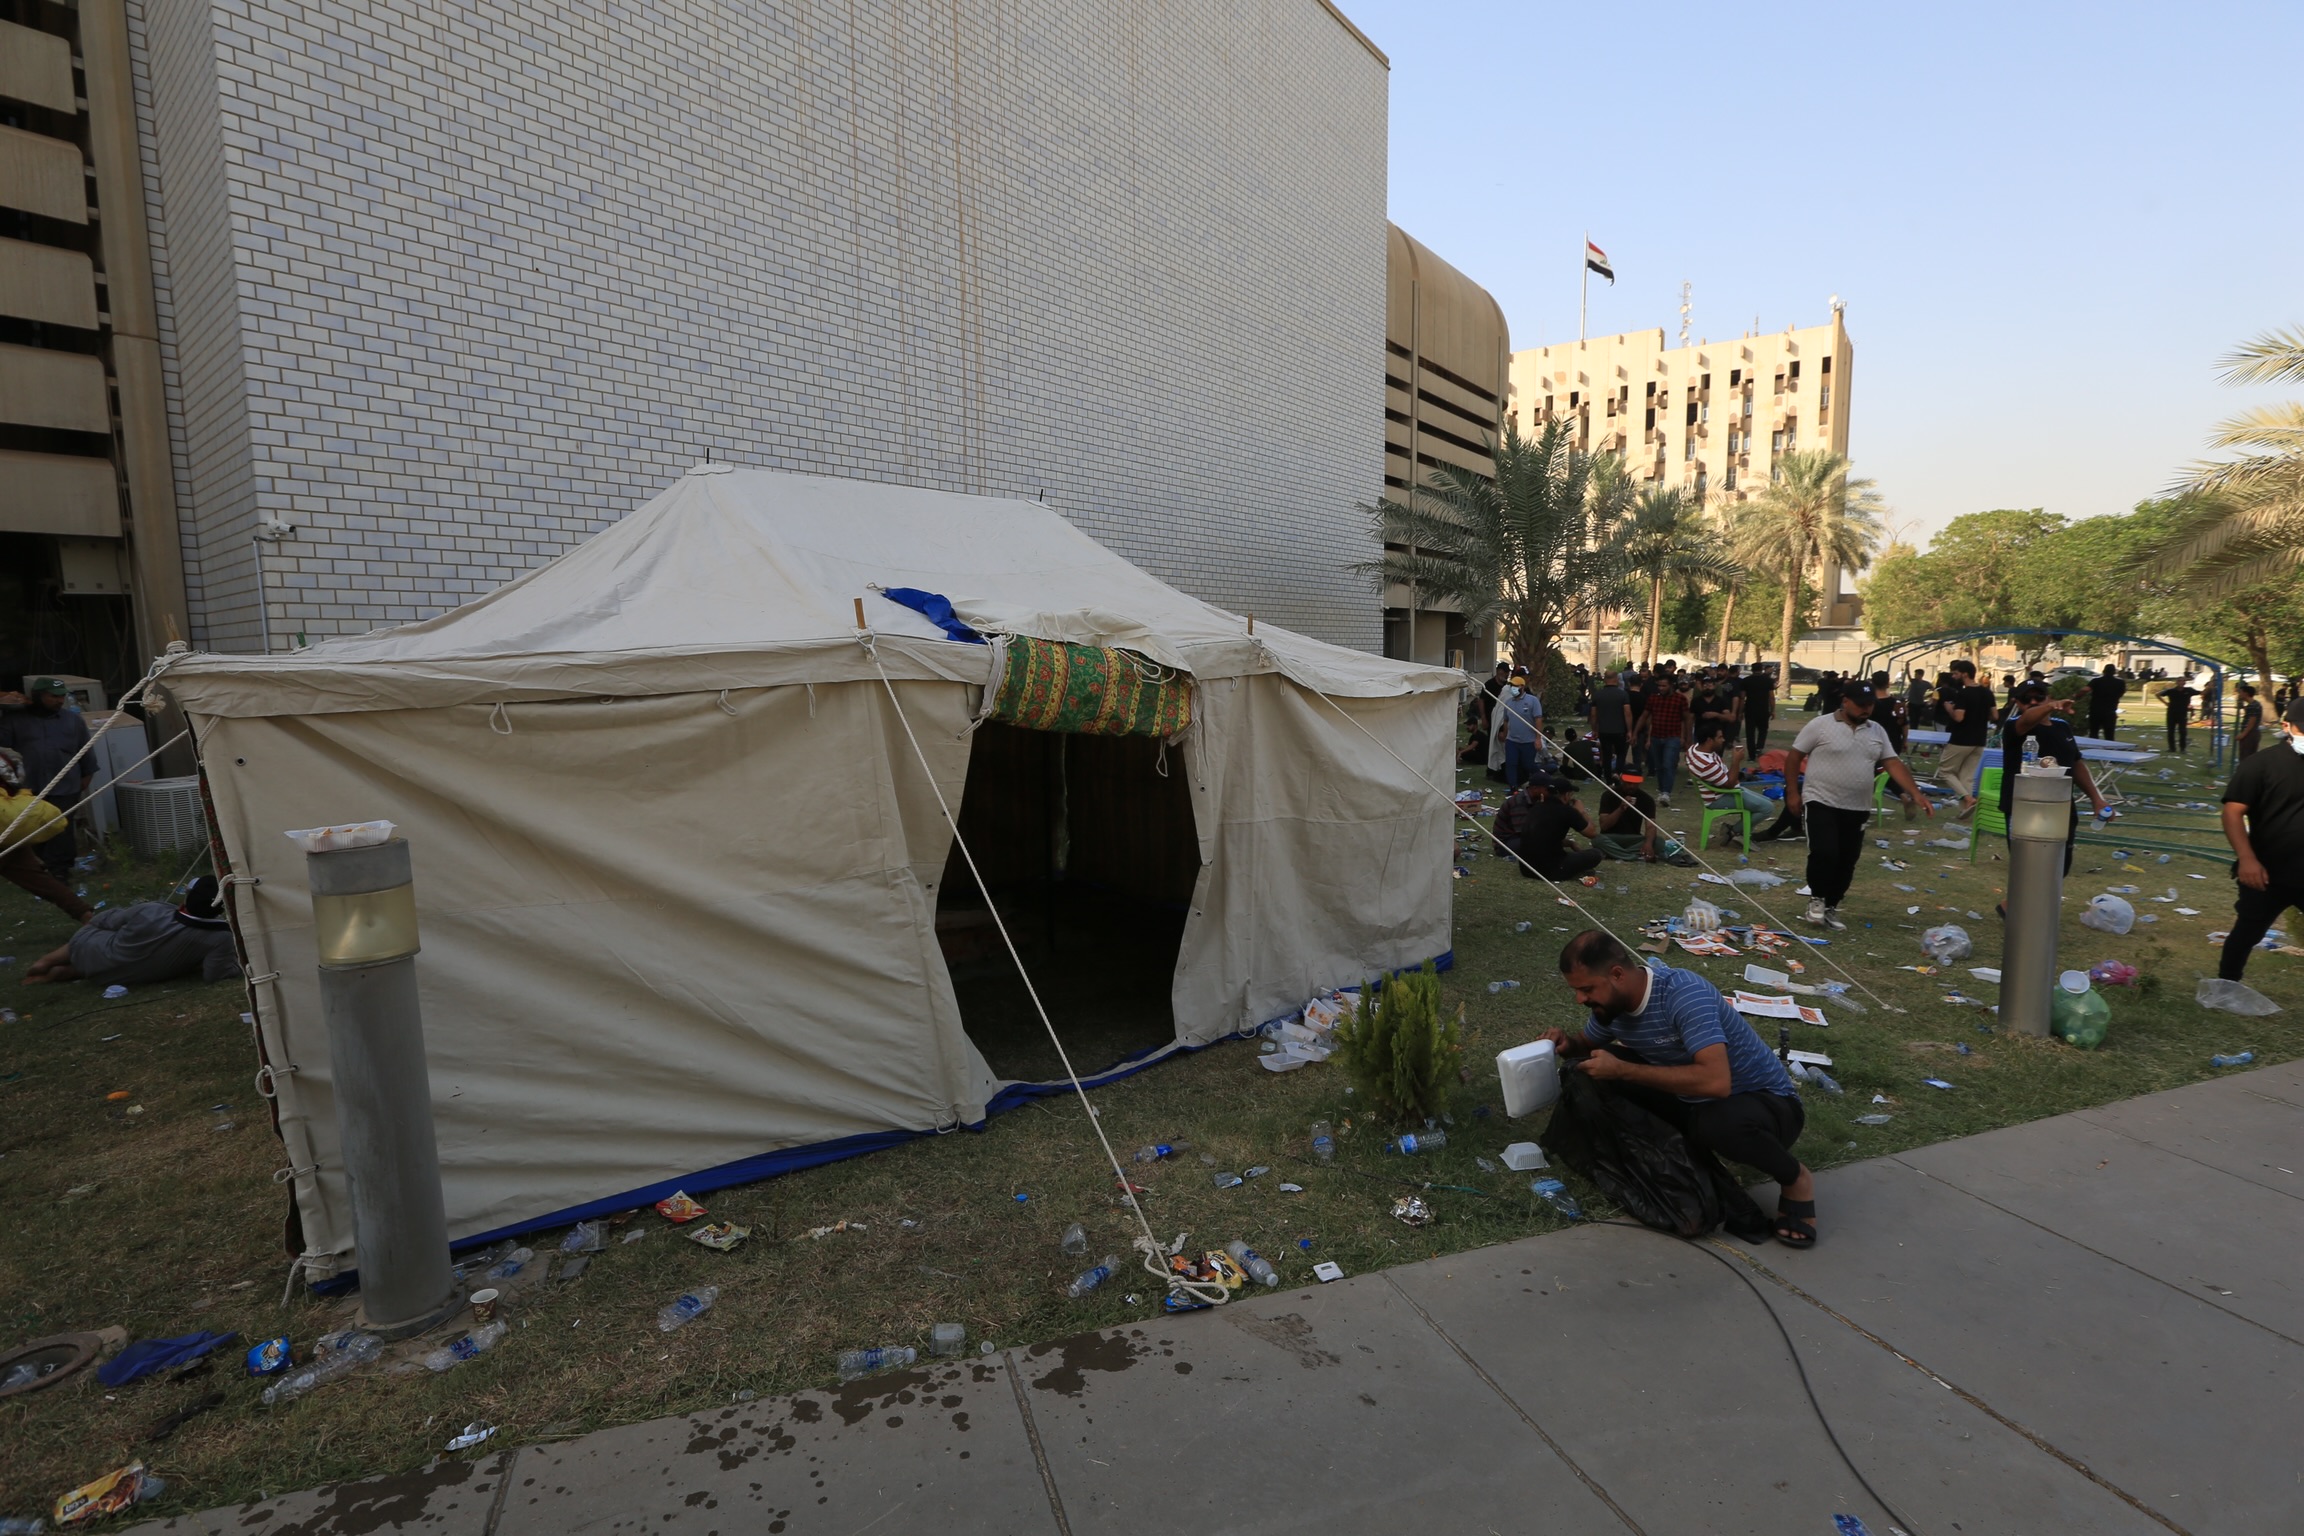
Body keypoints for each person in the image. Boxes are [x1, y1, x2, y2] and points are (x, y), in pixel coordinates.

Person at [1543, 931, 1817, 1247]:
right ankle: (1673, 1154)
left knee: (1715, 1122)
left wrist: (1625, 1071)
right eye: (1576, 991)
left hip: (1765, 1106)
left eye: (1586, 989)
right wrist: (1567, 1045)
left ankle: (1796, 1179)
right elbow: (1585, 1046)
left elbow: (1716, 1083)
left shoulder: (1683, 994)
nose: (1581, 999)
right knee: (1589, 1070)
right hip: (1695, 1102)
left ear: (1617, 974)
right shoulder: (1611, 1008)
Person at [1779, 683, 1932, 929]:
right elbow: (1795, 757)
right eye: (1861, 704)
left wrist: (1915, 793)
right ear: (1845, 701)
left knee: (1847, 858)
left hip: (1858, 806)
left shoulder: (1877, 731)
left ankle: (1831, 905)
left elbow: (1892, 763)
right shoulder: (1821, 725)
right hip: (1821, 800)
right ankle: (1817, 900)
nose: (1867, 709)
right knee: (1825, 852)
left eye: (1870, 704)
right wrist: (1793, 792)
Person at [2218, 699, 2304, 983]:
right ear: (2287, 727)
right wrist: (2247, 858)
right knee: (2248, 931)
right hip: (2267, 870)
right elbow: (2232, 812)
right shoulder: (2260, 765)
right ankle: (2227, 984)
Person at [24, 876, 240, 986]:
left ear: (187, 897)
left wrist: (94, 923)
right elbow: (215, 974)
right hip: (117, 977)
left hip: (93, 950)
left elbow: (108, 920)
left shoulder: (154, 910)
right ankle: (60, 974)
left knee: (89, 939)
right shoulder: (219, 938)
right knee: (119, 963)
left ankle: (46, 961)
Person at [1999, 682, 2111, 875]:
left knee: (2059, 868)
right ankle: (2014, 905)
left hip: (2061, 805)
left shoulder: (2062, 726)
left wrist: (2096, 799)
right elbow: (2027, 719)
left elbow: (2076, 763)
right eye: (2027, 699)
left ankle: (2026, 905)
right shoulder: (2014, 726)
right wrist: (2049, 706)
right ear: (2017, 702)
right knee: (2028, 870)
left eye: (2039, 697)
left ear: (2048, 697)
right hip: (2025, 807)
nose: (2033, 702)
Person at [0, 678, 95, 881]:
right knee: (32, 827)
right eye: (53, 696)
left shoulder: (73, 720)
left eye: (62, 696)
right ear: (38, 696)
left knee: (61, 827)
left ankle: (59, 870)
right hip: (28, 787)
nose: (59, 700)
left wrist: (87, 773)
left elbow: (85, 749)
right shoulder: (14, 720)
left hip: (66, 783)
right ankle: (37, 869)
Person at [1, 748, 95, 922]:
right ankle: (87, 916)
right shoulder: (7, 761)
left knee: (40, 880)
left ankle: (87, 917)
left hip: (6, 831)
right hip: (8, 831)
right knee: (42, 881)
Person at [1490, 773, 1603, 881]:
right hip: (1552, 870)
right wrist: (1581, 811)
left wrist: (1570, 844)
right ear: (1567, 795)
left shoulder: (1536, 807)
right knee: (1596, 854)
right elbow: (1592, 833)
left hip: (1526, 870)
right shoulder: (1567, 811)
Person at [1685, 721, 1775, 839]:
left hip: (1721, 790)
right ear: (1709, 740)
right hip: (1718, 797)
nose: (1723, 740)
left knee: (1767, 801)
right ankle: (1733, 831)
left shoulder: (1695, 748)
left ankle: (1741, 832)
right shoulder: (1705, 765)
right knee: (1767, 808)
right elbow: (1730, 784)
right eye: (1720, 737)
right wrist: (1736, 761)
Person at [1934, 659, 1996, 821]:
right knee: (1966, 776)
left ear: (1965, 674)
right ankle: (1965, 813)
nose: (1954, 676)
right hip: (1979, 739)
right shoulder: (1987, 692)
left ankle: (1967, 798)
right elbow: (1995, 715)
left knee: (1945, 770)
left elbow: (1959, 717)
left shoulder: (1963, 693)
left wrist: (1949, 709)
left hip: (1961, 739)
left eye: (1956, 673)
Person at [1594, 774, 1695, 865]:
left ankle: (1614, 853)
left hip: (1634, 839)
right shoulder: (1609, 795)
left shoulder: (1646, 799)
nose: (1632, 786)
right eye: (1629, 783)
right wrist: (1620, 809)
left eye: (1635, 783)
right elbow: (1604, 825)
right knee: (1597, 840)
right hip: (1611, 838)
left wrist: (1648, 843)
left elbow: (1651, 824)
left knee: (1659, 842)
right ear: (1622, 780)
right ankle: (1632, 856)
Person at [1642, 674, 1688, 806]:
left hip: (1672, 737)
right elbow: (1646, 717)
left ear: (1671, 686)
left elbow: (1686, 719)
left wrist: (1685, 737)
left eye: (1664, 685)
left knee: (1668, 764)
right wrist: (1640, 734)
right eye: (1659, 685)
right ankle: (1662, 790)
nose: (1661, 688)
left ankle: (1666, 792)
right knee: (1659, 766)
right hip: (1656, 736)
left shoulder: (1680, 699)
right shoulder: (1653, 699)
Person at [1499, 672, 1544, 787]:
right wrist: (1505, 734)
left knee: (1528, 764)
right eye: (1512, 686)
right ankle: (1513, 787)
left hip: (1528, 740)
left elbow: (1538, 719)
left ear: (1522, 687)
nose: (1513, 688)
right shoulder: (1508, 703)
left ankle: (1542, 779)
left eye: (1515, 686)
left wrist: (1538, 738)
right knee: (1511, 764)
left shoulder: (1532, 701)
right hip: (1512, 740)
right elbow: (1506, 720)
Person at [1589, 671, 1631, 780]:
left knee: (1606, 754)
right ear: (1616, 679)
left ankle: (1608, 778)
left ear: (1604, 679)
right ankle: (1617, 772)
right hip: (1619, 729)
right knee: (1621, 753)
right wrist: (1629, 730)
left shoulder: (1598, 695)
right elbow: (1627, 713)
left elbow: (1593, 714)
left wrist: (1594, 729)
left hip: (1604, 730)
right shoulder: (1622, 694)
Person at [1741, 662, 1776, 757]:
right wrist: (1773, 710)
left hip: (1750, 709)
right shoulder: (1768, 681)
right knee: (1763, 730)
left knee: (1750, 732)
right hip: (1763, 709)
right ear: (1762, 669)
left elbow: (1742, 697)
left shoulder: (1746, 681)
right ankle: (1759, 747)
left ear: (1752, 670)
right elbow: (1771, 697)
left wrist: (1740, 711)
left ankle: (1751, 754)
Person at [2085, 664, 2126, 742]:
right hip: (2110, 710)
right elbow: (2121, 693)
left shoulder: (2096, 681)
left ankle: (2093, 748)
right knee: (2109, 734)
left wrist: (2075, 696)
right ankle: (2109, 750)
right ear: (2114, 672)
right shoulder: (2120, 682)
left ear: (2104, 671)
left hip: (2095, 710)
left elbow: (2085, 690)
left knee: (2093, 732)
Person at [2159, 678, 2201, 753]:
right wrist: (2165, 703)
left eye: (2183, 681)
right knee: (2171, 731)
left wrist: (2209, 687)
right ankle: (2172, 748)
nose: (2181, 682)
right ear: (2177, 682)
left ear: (2185, 682)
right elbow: (2158, 694)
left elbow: (2202, 693)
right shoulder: (2171, 691)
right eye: (2180, 681)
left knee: (2182, 731)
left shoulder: (2189, 690)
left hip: (2182, 713)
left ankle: (2183, 749)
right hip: (2172, 713)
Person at [2235, 683, 2264, 760]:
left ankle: (2245, 771)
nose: (2239, 694)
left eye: (2241, 692)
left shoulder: (2252, 706)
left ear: (2246, 693)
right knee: (2249, 756)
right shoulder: (2255, 704)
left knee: (2246, 756)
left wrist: (2243, 735)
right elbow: (2251, 714)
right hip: (2253, 733)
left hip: (2250, 734)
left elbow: (2251, 722)